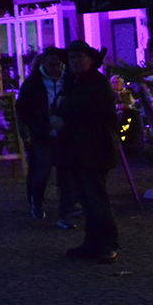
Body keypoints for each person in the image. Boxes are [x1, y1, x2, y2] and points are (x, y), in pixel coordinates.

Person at [55, 41, 120, 264]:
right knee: (86, 198)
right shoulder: (71, 82)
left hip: (95, 148)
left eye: (79, 58)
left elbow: (86, 110)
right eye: (72, 58)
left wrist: (64, 110)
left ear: (89, 60)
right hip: (76, 149)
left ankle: (107, 244)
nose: (75, 62)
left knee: (96, 197)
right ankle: (92, 242)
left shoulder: (98, 83)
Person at [16, 49, 71, 222]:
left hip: (64, 133)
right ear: (42, 64)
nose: (55, 68)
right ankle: (36, 202)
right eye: (51, 64)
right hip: (42, 133)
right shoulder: (33, 83)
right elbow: (23, 109)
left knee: (66, 170)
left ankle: (66, 205)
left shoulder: (67, 80)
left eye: (58, 64)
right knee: (42, 171)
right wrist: (29, 131)